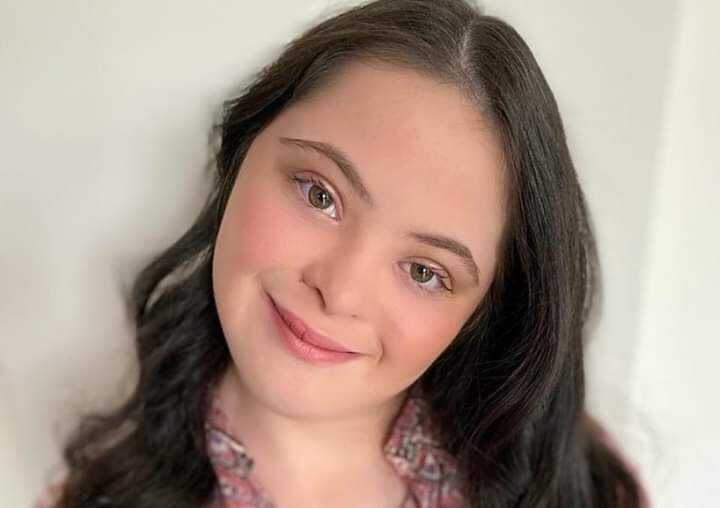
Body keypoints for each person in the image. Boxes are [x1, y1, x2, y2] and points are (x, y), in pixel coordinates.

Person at [35, 0, 647, 506]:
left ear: (484, 310)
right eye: (320, 195)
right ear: (241, 152)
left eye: (424, 271)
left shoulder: (587, 495)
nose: (340, 290)